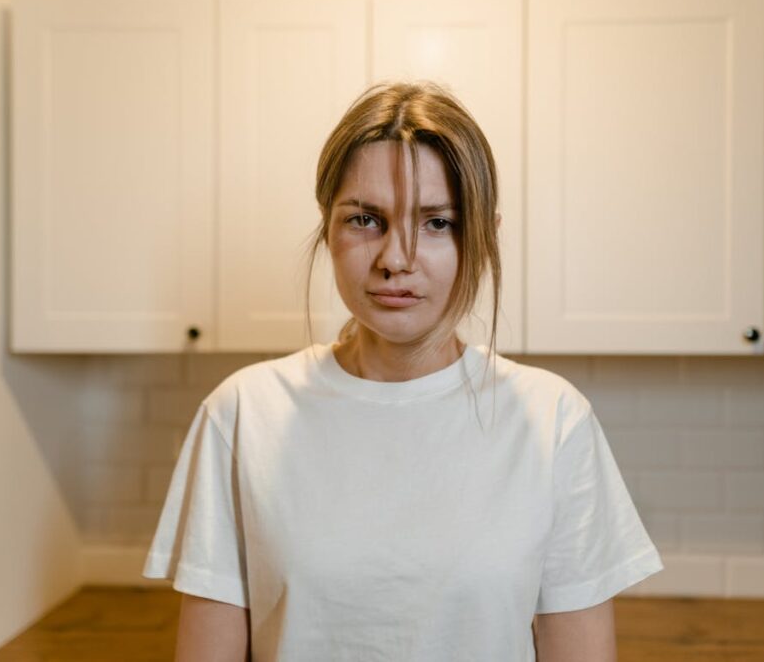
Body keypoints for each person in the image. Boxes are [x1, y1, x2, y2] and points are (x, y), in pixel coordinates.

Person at [143, 81, 663, 662]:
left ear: (484, 235)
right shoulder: (242, 414)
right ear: (327, 225)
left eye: (437, 223)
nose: (396, 259)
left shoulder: (553, 421)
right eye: (365, 219)